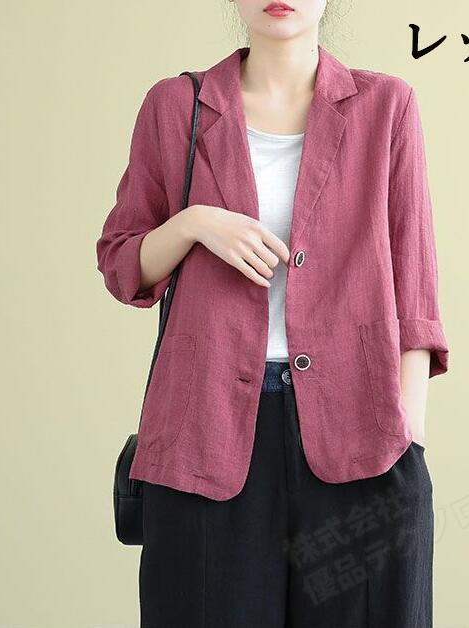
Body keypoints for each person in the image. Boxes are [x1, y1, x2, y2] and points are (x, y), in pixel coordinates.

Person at [96, 1, 450, 626]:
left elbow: (414, 291)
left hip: (362, 436)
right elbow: (123, 263)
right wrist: (194, 223)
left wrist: (408, 442)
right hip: (204, 436)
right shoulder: (176, 106)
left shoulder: (387, 107)